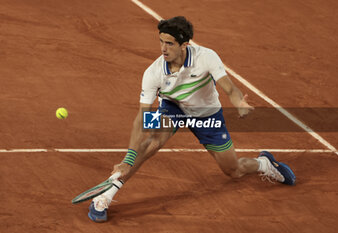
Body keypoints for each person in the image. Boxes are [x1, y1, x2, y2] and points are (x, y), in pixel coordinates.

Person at [87, 16, 296, 222]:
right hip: (173, 108)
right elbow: (142, 117)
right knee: (151, 142)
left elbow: (230, 88)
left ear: (184, 45)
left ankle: (263, 164)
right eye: (161, 41)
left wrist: (239, 102)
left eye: (169, 43)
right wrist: (127, 160)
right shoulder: (153, 73)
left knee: (233, 170)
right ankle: (106, 194)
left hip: (206, 113)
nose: (163, 48)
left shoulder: (206, 57)